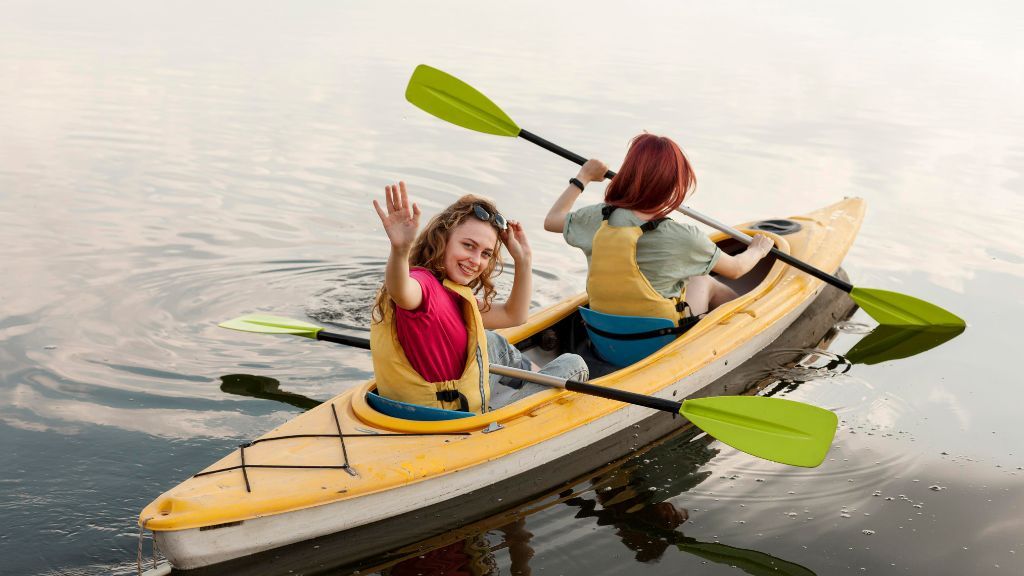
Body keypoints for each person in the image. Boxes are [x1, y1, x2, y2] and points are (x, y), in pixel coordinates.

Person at [371, 181, 588, 413]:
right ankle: (533, 391)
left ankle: (532, 379)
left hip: (455, 392)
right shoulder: (423, 285)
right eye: (468, 246)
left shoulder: (450, 290)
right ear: (442, 239)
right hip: (450, 415)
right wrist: (400, 249)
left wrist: (523, 260)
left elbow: (514, 315)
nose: (476, 260)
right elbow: (401, 290)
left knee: (491, 341)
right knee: (573, 365)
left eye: (485, 253)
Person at [543, 133, 774, 325]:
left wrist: (583, 176)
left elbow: (552, 220)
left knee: (694, 275)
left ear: (628, 174)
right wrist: (758, 249)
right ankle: (746, 327)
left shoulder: (597, 217)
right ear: (675, 185)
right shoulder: (685, 238)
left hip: (605, 336)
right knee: (703, 279)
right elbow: (735, 269)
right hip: (658, 341)